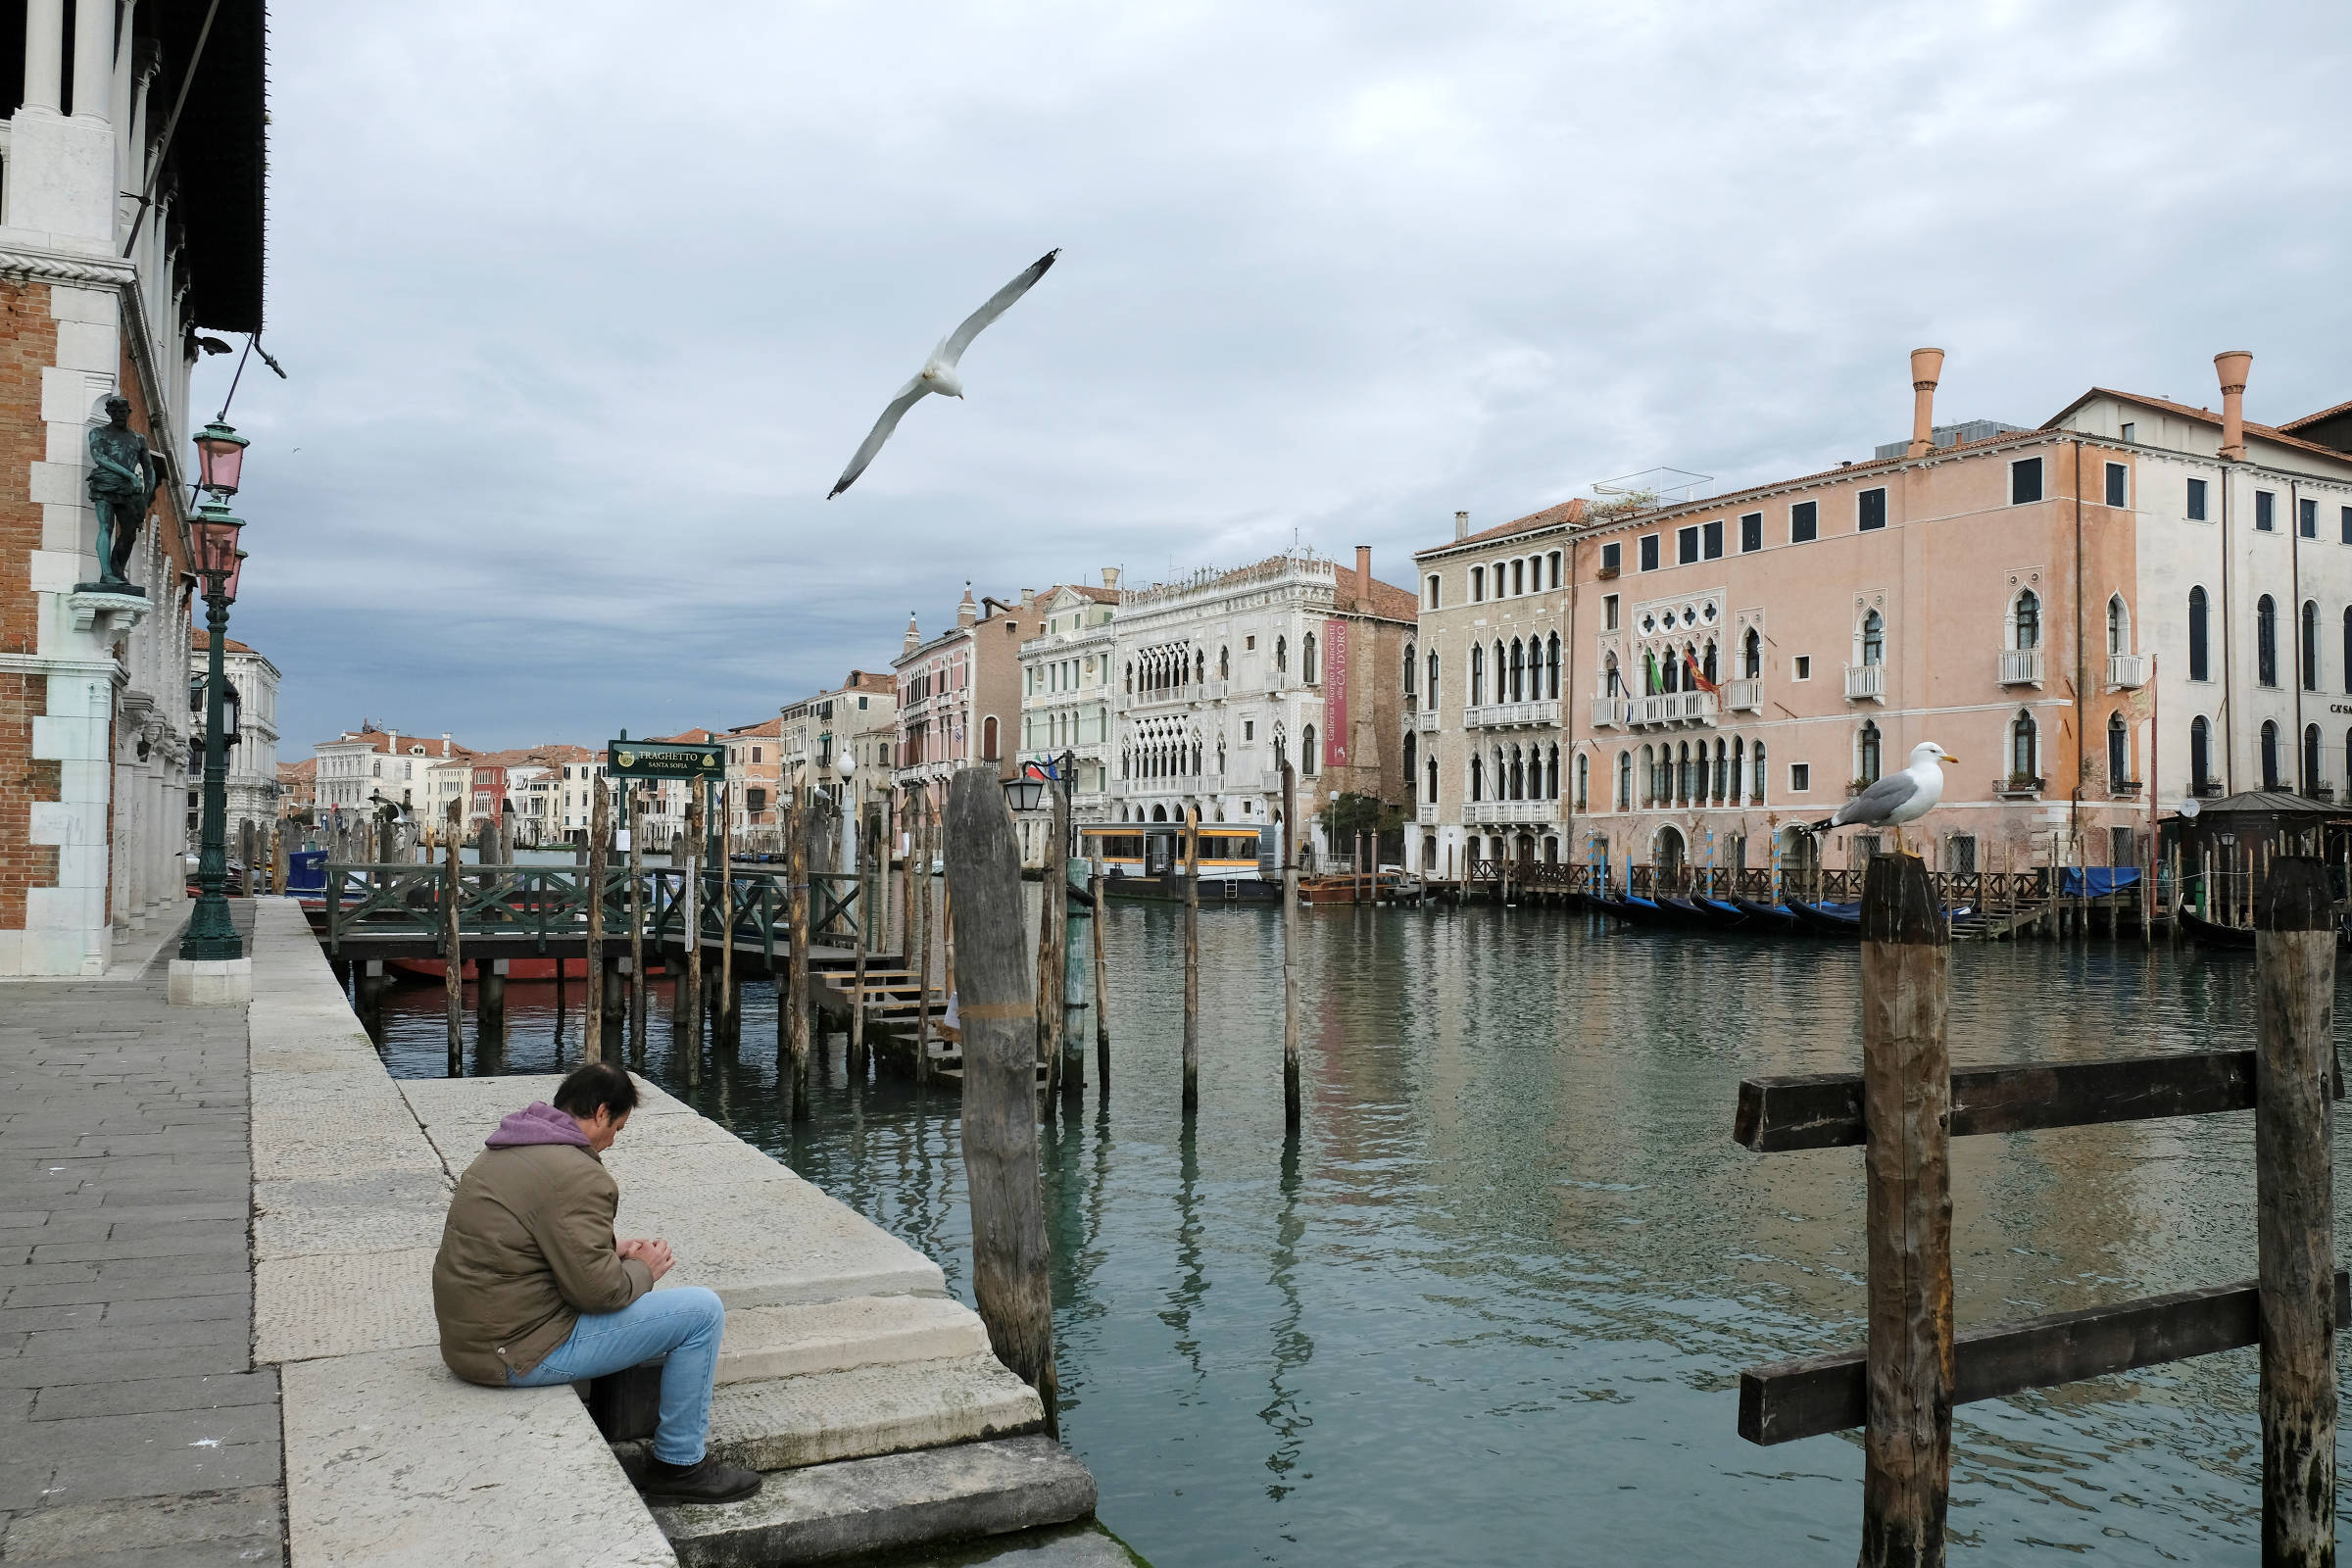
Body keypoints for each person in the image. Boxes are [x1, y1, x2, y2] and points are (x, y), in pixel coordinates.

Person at [431, 1061, 760, 1505]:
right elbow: (601, 1294)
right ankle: (681, 1466)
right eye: (618, 1128)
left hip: (469, 1343)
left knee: (649, 1292)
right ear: (602, 1113)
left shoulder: (508, 1148)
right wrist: (645, 1268)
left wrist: (613, 1249)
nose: (612, 1142)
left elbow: (534, 1244)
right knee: (700, 1312)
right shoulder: (582, 1173)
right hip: (515, 1353)